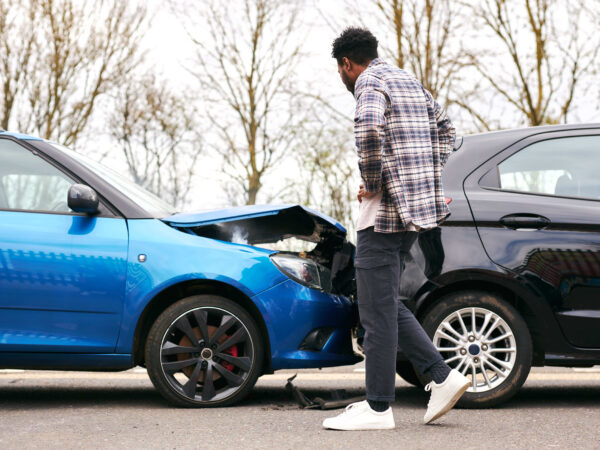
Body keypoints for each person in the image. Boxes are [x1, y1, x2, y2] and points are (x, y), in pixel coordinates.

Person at [323, 27, 470, 431]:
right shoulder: (407, 80)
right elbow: (447, 130)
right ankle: (442, 377)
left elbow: (369, 130)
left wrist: (373, 181)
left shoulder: (369, 81)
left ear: (347, 64)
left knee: (375, 312)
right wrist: (423, 180)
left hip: (384, 217)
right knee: (385, 303)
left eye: (340, 71)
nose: (343, 78)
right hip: (413, 215)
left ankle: (378, 407)